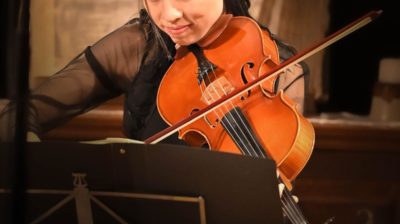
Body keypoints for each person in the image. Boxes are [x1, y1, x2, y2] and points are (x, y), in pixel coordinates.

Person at [0, 0, 308, 146]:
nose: (169, 15)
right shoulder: (140, 46)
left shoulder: (279, 69)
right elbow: (20, 115)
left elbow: (260, 190)